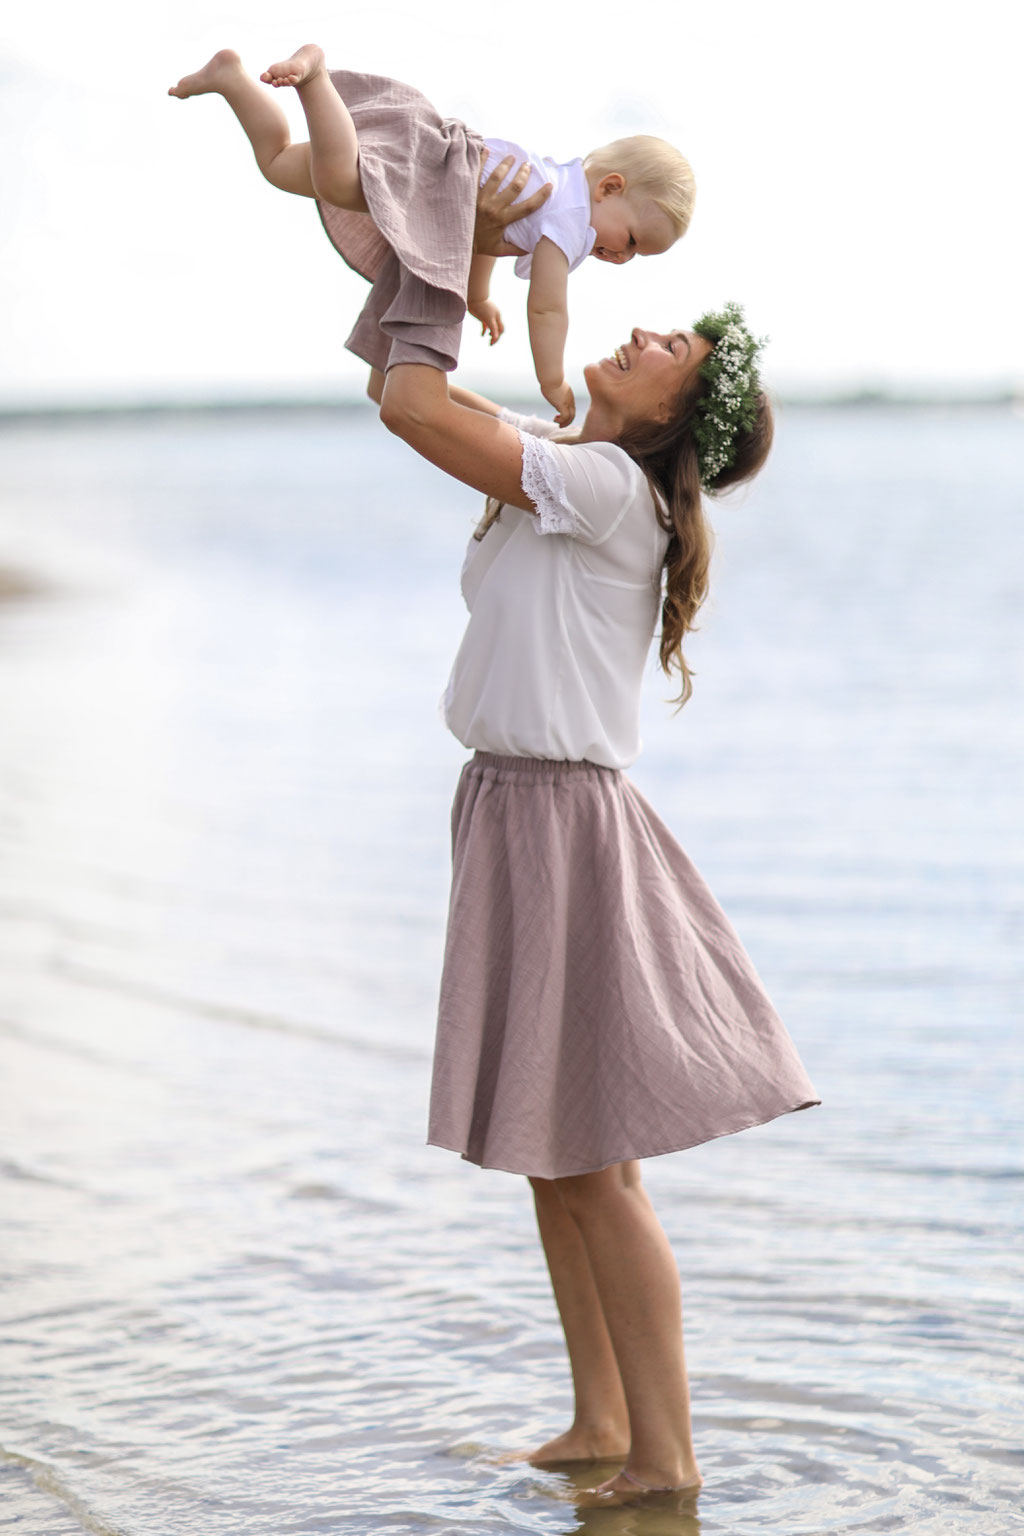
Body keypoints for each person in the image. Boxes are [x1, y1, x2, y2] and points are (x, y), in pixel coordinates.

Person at [370, 265, 821, 1505]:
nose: (640, 329)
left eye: (669, 342)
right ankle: (597, 1421)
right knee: (555, 1154)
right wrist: (414, 261)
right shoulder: (575, 466)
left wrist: (433, 268)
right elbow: (394, 389)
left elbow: (415, 409)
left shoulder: (610, 486)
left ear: (679, 415)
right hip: (513, 808)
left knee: (596, 1160)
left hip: (559, 821)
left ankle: (666, 1461)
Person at [168, 46, 695, 425]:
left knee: (280, 165)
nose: (623, 257)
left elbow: (489, 228)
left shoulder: (554, 191)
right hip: (431, 171)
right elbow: (547, 308)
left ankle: (231, 77)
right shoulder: (571, 222)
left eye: (636, 256)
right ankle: (316, 79)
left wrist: (478, 296)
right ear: (610, 187)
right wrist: (551, 380)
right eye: (631, 241)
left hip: (434, 157)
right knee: (335, 178)